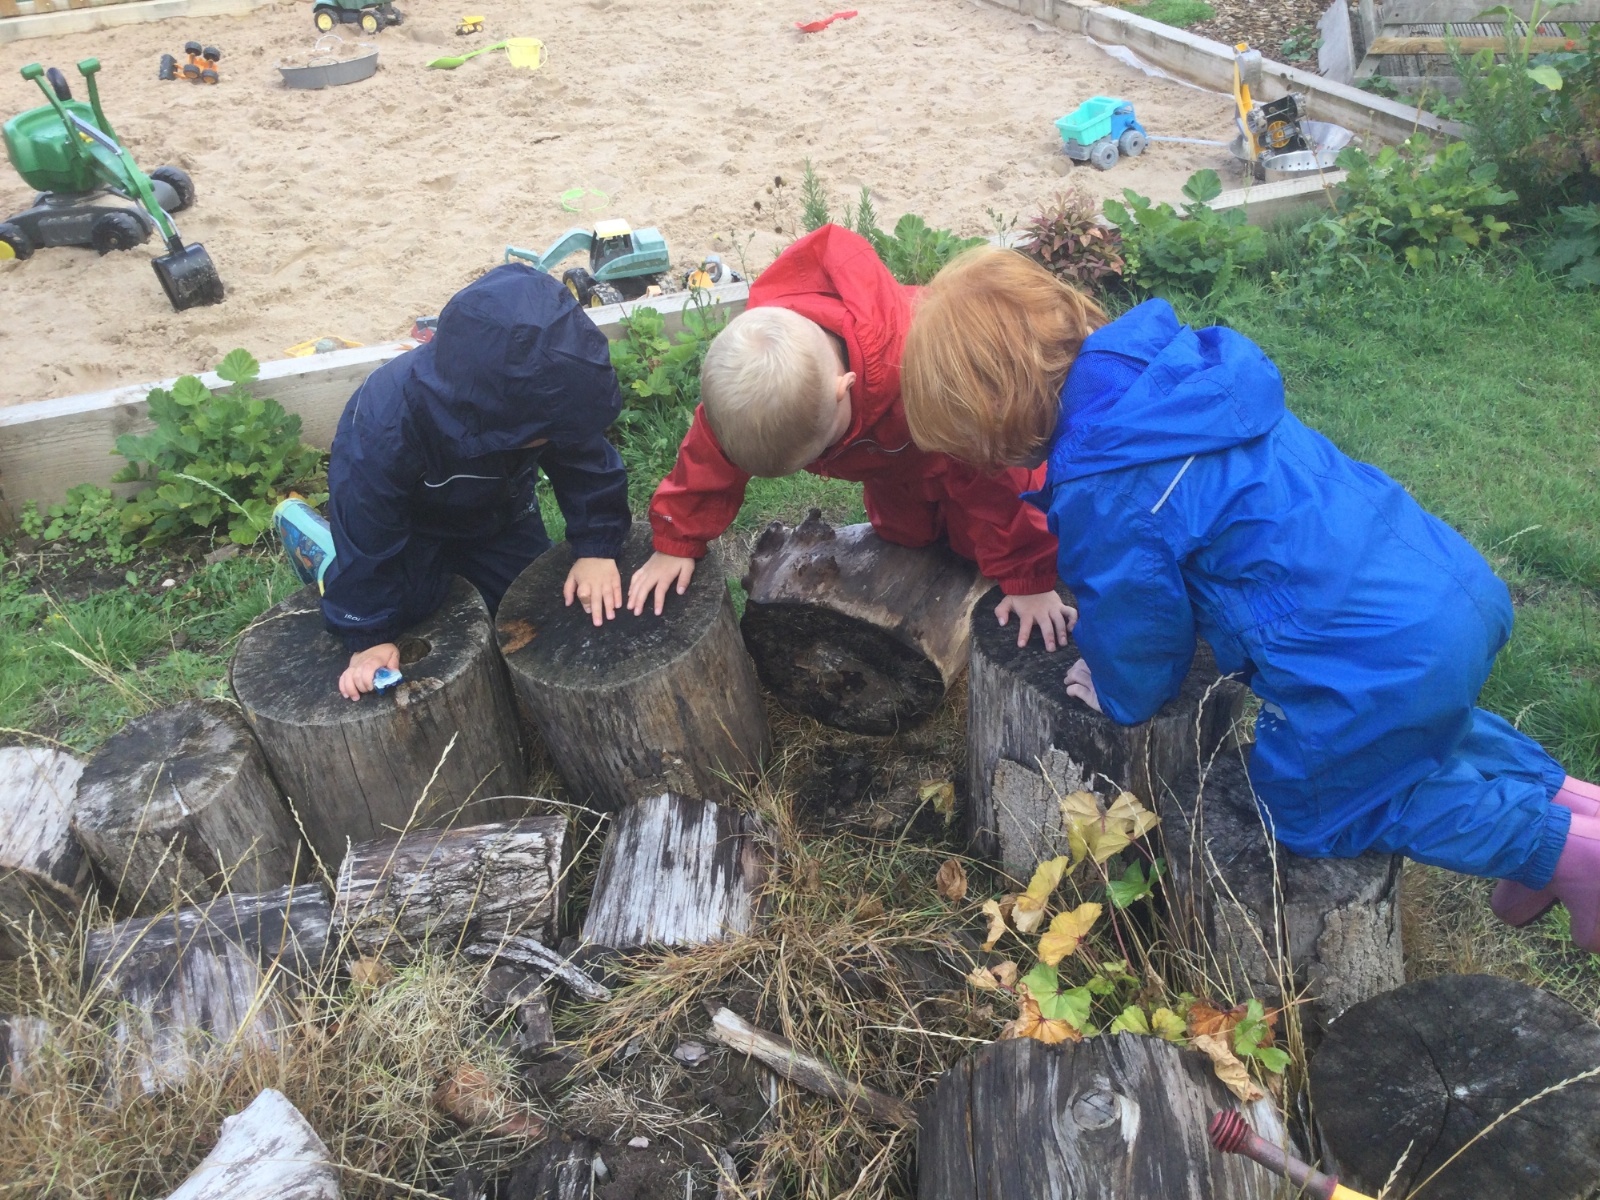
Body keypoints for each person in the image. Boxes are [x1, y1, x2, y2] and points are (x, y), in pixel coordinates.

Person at [898, 245, 1600, 951]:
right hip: (1436, 586)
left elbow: (1138, 623)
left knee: (1318, 805)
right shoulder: (1175, 377)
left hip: (1364, 650)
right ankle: (1572, 805)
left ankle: (1559, 851)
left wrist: (1119, 691)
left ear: (1001, 410)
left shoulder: (1106, 484)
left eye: (978, 446)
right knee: (1411, 729)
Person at [625, 224, 1073, 651]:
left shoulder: (922, 375)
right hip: (888, 458)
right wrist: (676, 541)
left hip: (956, 447)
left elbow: (998, 479)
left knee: (973, 541)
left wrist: (1028, 577)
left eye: (820, 450)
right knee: (906, 536)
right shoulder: (753, 386)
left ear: (846, 389)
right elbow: (708, 460)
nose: (816, 465)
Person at [322, 264, 631, 701]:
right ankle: (319, 551)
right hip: (410, 532)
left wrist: (597, 546)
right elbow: (367, 525)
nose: (552, 441)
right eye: (543, 434)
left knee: (535, 604)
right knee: (412, 608)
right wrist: (368, 634)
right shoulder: (383, 427)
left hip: (497, 515)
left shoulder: (547, 395)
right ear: (491, 411)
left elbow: (586, 463)